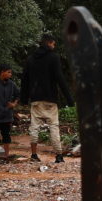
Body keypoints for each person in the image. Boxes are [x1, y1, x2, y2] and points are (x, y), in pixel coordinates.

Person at [20, 31, 68, 162]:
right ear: (48, 43)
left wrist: (23, 99)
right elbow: (59, 77)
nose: (54, 45)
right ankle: (58, 155)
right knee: (54, 126)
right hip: (50, 99)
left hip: (35, 99)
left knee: (34, 127)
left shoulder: (31, 59)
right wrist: (69, 98)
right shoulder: (54, 57)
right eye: (53, 43)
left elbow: (25, 80)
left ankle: (34, 155)